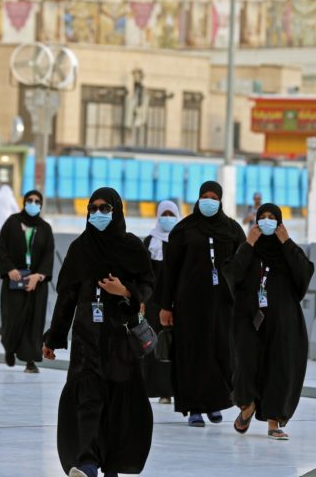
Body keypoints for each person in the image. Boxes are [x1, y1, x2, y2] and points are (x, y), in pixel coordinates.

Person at [43, 187, 153, 477]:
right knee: (88, 401)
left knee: (117, 405)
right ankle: (88, 462)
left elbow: (147, 284)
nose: (98, 214)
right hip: (87, 339)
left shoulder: (131, 247)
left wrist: (126, 291)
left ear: (116, 211)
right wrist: (54, 338)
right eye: (93, 208)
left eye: (105, 208)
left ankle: (112, 465)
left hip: (121, 341)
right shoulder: (80, 249)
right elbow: (66, 297)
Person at [223, 203, 314, 440]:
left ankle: (274, 421)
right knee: (245, 363)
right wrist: (249, 244)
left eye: (271, 217)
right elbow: (232, 275)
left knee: (279, 368)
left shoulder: (287, 251)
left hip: (283, 320)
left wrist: (287, 242)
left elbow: (304, 275)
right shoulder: (248, 250)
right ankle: (247, 405)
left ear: (280, 222)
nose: (266, 221)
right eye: (261, 217)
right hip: (248, 319)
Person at [159, 181, 245, 427]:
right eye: (205, 196)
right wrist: (166, 306)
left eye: (214, 197)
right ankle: (194, 407)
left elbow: (243, 265)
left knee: (221, 354)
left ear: (220, 200)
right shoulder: (184, 230)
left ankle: (214, 403)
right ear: (198, 199)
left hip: (222, 306)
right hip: (189, 305)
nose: (209, 201)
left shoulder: (231, 229)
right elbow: (170, 271)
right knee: (193, 354)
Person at [0, 190, 54, 373]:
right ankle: (9, 348)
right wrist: (10, 268)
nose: (33, 203)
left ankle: (30, 361)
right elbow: (2, 248)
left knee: (34, 322)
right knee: (12, 320)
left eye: (37, 201)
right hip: (14, 281)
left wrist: (39, 276)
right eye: (29, 200)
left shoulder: (45, 227)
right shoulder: (12, 222)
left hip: (36, 284)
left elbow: (48, 255)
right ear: (24, 202)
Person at [142, 200, 180, 405]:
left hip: (178, 302)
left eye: (171, 214)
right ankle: (158, 389)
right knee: (155, 344)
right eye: (163, 213)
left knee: (176, 346)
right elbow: (142, 273)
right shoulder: (149, 242)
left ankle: (176, 388)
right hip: (153, 302)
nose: (167, 218)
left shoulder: (182, 241)